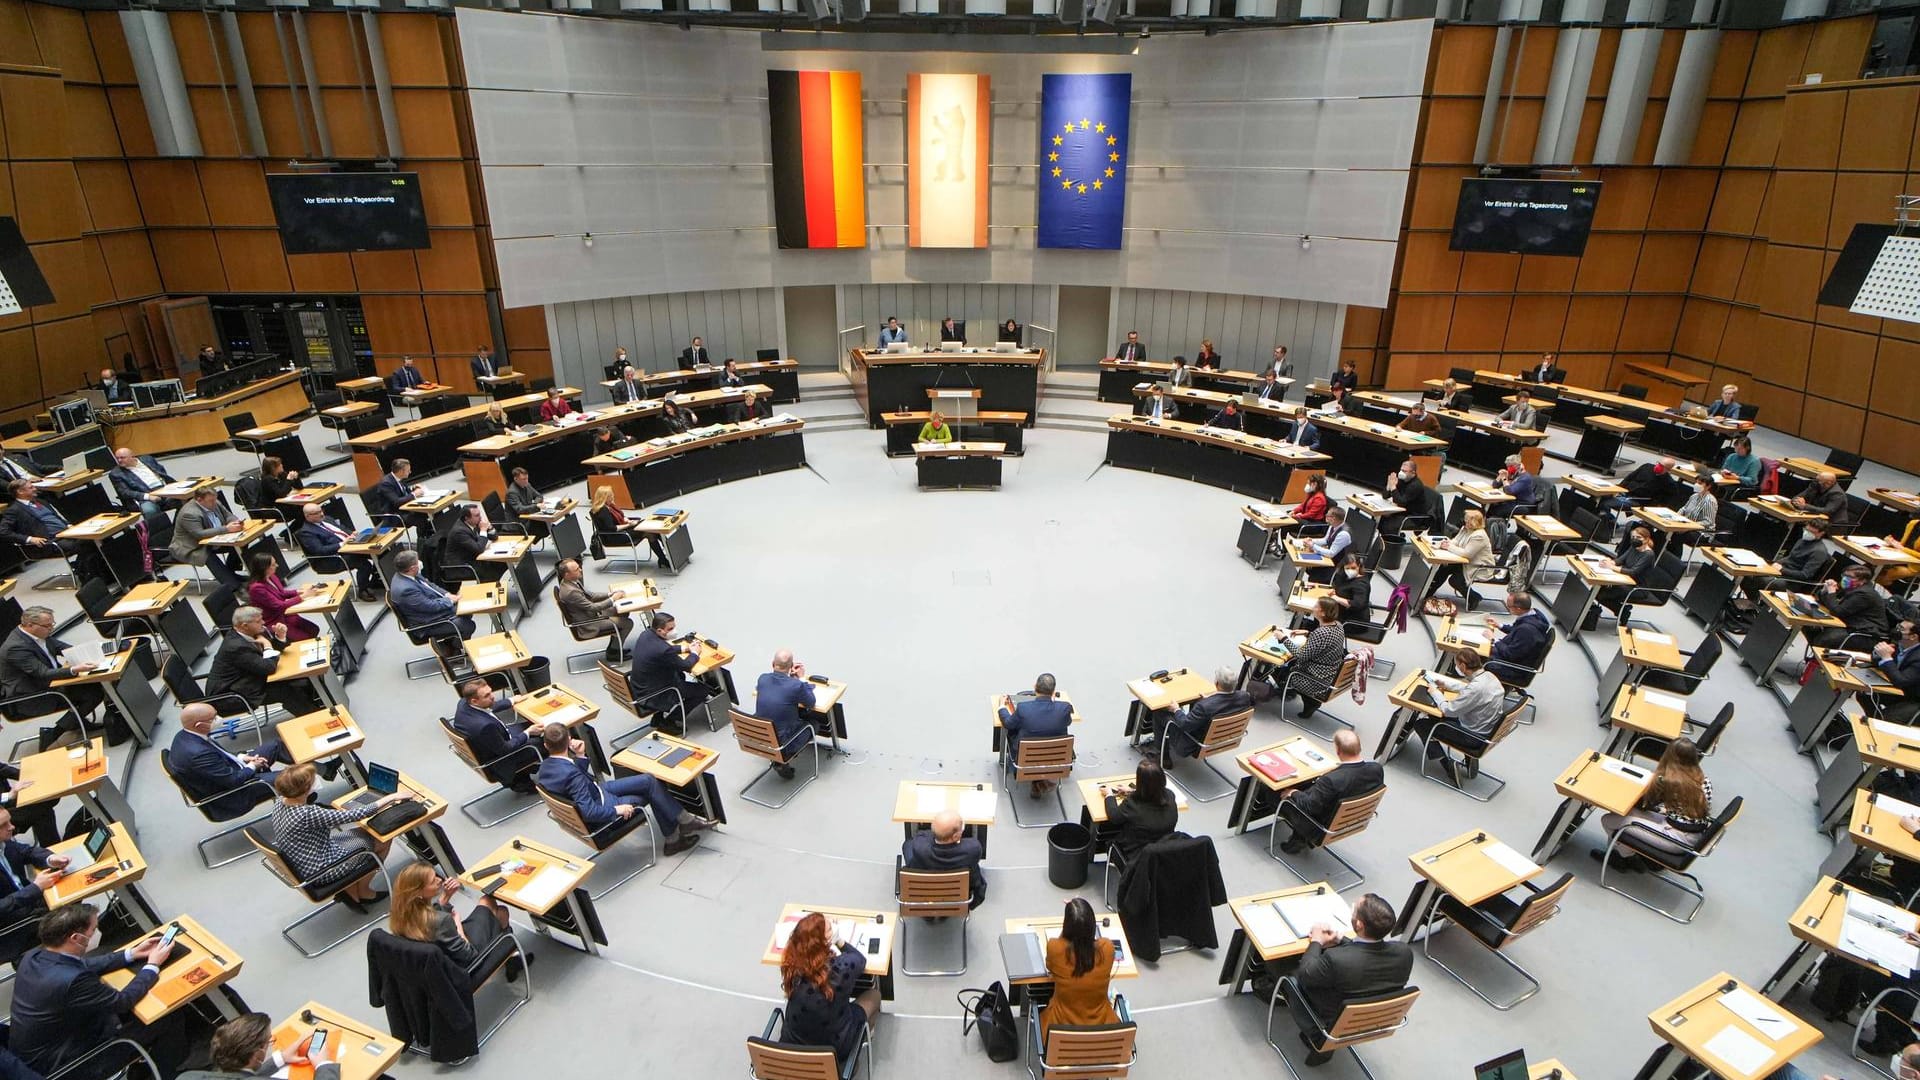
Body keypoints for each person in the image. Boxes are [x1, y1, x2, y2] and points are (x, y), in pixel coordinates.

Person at [10, 903, 186, 1080]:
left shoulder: (33, 957)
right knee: (167, 1018)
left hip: (41, 1049)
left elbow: (83, 964)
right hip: (71, 1063)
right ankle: (165, 1074)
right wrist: (152, 965)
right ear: (76, 938)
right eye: (93, 930)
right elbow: (122, 1001)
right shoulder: (74, 980)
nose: (96, 933)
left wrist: (131, 954)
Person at [535, 722, 711, 855]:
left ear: (545, 746)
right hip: (605, 806)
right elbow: (589, 811)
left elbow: (572, 784)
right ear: (568, 741)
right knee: (651, 791)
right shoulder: (571, 774)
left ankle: (683, 823)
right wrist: (616, 809)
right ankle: (675, 837)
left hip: (598, 791)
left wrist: (580, 756)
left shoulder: (545, 768)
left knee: (649, 780)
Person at [1288, 893, 1413, 1062]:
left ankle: (1316, 1035)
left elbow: (1305, 974)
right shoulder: (1404, 953)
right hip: (1371, 1022)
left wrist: (1316, 940)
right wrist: (1341, 939)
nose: (1352, 909)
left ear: (1359, 925)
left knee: (1290, 976)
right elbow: (1366, 954)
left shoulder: (1337, 960)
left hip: (1331, 1023)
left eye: (1354, 909)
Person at [271, 764, 402, 908]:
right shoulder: (307, 814)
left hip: (304, 864)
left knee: (361, 832)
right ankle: (364, 891)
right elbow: (356, 814)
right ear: (305, 788)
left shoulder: (280, 802)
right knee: (383, 839)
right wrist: (391, 798)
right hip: (323, 869)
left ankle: (351, 889)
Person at [387, 861, 517, 989]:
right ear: (418, 893)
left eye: (436, 876)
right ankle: (511, 956)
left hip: (441, 962)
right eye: (433, 881)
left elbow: (431, 920)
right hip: (465, 966)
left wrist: (445, 896)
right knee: (496, 907)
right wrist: (457, 924)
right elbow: (470, 956)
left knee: (496, 910)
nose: (439, 880)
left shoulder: (402, 916)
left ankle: (511, 959)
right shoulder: (441, 921)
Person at [778, 912, 881, 1067]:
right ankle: (862, 1039)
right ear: (825, 941)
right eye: (830, 929)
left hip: (794, 1047)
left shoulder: (791, 969)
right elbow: (860, 959)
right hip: (834, 1049)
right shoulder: (840, 969)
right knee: (874, 995)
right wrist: (840, 941)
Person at [1597, 737, 1712, 873]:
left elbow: (1644, 804)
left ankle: (1625, 858)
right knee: (1625, 814)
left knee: (1608, 820)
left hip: (1675, 839)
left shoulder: (1669, 781)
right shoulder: (1704, 779)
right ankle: (1629, 856)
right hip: (1691, 835)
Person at [166, 702, 294, 820]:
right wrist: (252, 766)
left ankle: (304, 765)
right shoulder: (198, 753)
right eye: (214, 718)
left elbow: (219, 754)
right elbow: (233, 780)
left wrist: (243, 757)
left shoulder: (186, 735)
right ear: (199, 725)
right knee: (295, 777)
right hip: (235, 792)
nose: (219, 719)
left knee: (275, 745)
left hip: (232, 770)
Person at [1, 604, 105, 747]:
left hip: (50, 685)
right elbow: (43, 673)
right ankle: (53, 734)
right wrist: (74, 669)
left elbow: (61, 647)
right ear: (30, 625)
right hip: (33, 696)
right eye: (47, 626)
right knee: (94, 692)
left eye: (52, 624)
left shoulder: (39, 633)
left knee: (98, 683)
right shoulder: (15, 647)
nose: (51, 628)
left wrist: (89, 652)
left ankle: (76, 722)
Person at [1276, 730, 1383, 854]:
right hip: (1348, 821)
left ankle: (1300, 838)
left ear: (1338, 751)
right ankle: (1299, 838)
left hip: (1321, 827)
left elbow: (1309, 807)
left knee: (1273, 793)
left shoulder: (1332, 780)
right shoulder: (1376, 769)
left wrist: (1293, 792)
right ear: (1359, 748)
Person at [1405, 649, 1504, 780]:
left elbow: (1448, 710)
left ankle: (1448, 766)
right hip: (1485, 732)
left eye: (1457, 665)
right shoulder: (1490, 677)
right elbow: (1468, 689)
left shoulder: (1476, 688)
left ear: (1463, 666)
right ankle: (1469, 759)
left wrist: (1435, 692)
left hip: (1471, 736)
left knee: (1422, 724)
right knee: (1435, 716)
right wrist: (1446, 685)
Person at [209, 606, 322, 715]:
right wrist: (267, 645)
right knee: (286, 690)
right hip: (233, 695)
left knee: (303, 676)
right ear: (245, 625)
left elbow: (271, 652)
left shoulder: (249, 632)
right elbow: (269, 668)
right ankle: (316, 717)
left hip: (249, 679)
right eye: (258, 621)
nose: (263, 622)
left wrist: (280, 637)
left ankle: (321, 705)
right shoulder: (236, 647)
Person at [1040, 898, 1120, 1042]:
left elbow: (1050, 966)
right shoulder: (1107, 949)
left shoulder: (1055, 948)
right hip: (1101, 1032)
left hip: (1060, 1032)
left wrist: (1068, 928)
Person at [0, 806, 68, 964]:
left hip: (27, 907)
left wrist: (51, 859)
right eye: (3, 825)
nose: (12, 827)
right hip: (10, 927)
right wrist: (35, 888)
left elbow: (26, 851)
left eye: (9, 821)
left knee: (70, 887)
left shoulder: (5, 844)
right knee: (74, 914)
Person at [180, 1012, 337, 1080]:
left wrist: (280, 1058)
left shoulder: (188, 1077)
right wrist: (323, 1064)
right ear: (258, 1054)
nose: (270, 1043)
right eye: (269, 1040)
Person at [628, 611, 717, 731]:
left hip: (639, 688)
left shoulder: (646, 635)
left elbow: (665, 649)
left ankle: (658, 717)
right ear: (660, 630)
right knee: (703, 690)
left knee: (679, 675)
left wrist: (685, 648)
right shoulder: (663, 650)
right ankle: (671, 720)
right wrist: (695, 652)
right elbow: (686, 666)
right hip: (654, 694)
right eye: (670, 628)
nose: (674, 630)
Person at [0, 479, 102, 580]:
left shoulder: (41, 501)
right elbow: (3, 531)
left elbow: (56, 517)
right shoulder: (14, 510)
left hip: (67, 533)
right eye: (31, 487)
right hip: (49, 542)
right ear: (20, 492)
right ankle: (88, 573)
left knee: (99, 536)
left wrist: (68, 525)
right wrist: (30, 539)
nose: (35, 489)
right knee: (87, 543)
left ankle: (90, 569)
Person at [449, 679, 538, 792]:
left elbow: (489, 707)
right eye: (487, 695)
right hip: (501, 760)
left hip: (492, 745)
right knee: (547, 739)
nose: (493, 697)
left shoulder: (464, 703)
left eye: (491, 692)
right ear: (475, 701)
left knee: (533, 725)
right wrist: (528, 732)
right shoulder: (484, 726)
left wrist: (511, 700)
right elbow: (505, 749)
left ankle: (522, 779)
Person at [1272, 599, 1349, 718]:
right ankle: (1308, 700)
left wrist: (1283, 638)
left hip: (1315, 679)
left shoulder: (1321, 633)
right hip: (1329, 675)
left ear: (1323, 613)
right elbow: (1326, 641)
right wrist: (1308, 633)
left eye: (1316, 606)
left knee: (1279, 671)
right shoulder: (1338, 625)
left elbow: (1301, 656)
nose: (1313, 607)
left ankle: (1306, 698)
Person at [998, 673, 1072, 797]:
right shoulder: (1064, 709)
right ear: (1054, 691)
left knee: (1014, 732)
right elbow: (1067, 721)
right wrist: (1056, 703)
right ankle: (1039, 781)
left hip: (1025, 760)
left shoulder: (1023, 709)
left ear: (1035, 687)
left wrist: (1001, 707)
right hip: (1056, 759)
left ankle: (1037, 780)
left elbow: (1008, 724)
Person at [1155, 668, 1250, 760]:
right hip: (1225, 740)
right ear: (1236, 683)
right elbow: (1226, 705)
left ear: (1216, 683)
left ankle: (1164, 757)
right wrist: (1211, 699)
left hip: (1194, 745)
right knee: (1196, 705)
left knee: (1159, 713)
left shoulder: (1204, 707)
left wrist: (1176, 709)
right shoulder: (1245, 697)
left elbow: (1184, 724)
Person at [296, 503, 382, 601]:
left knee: (380, 551)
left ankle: (376, 580)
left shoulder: (327, 519)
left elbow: (343, 529)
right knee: (364, 564)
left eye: (321, 510)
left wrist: (352, 534)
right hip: (331, 559)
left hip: (349, 548)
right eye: (316, 513)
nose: (321, 514)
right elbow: (320, 550)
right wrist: (342, 544)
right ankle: (363, 590)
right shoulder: (306, 532)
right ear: (307, 516)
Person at [900, 809, 986, 906]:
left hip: (922, 898)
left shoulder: (920, 847)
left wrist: (938, 831)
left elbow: (917, 838)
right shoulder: (973, 849)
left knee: (907, 845)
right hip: (957, 901)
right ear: (956, 836)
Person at [754, 649, 817, 780]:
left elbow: (775, 690)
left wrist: (791, 680)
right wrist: (801, 679)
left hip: (758, 737)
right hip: (783, 743)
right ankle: (781, 760)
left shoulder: (762, 679)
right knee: (814, 724)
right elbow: (811, 702)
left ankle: (778, 760)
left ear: (773, 664)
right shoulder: (796, 686)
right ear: (790, 666)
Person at [556, 558, 633, 660]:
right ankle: (614, 653)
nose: (581, 570)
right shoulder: (571, 592)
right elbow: (593, 608)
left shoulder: (571, 581)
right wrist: (613, 599)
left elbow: (591, 596)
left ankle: (614, 646)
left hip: (588, 614)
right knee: (628, 623)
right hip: (588, 623)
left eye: (579, 567)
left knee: (622, 610)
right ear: (566, 574)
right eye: (576, 569)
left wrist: (610, 594)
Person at [389, 550, 475, 639]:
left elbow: (430, 585)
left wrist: (447, 594)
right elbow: (429, 606)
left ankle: (453, 638)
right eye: (417, 561)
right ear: (413, 568)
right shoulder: (405, 590)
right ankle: (454, 647)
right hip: (427, 623)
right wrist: (450, 601)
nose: (420, 563)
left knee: (467, 609)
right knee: (468, 625)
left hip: (432, 610)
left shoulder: (406, 573)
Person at [1102, 759, 1177, 861]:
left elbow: (1114, 817)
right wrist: (1133, 791)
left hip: (1135, 861)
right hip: (1163, 856)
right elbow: (1154, 793)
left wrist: (1109, 795)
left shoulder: (1132, 804)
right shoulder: (1170, 796)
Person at [170, 487, 246, 587]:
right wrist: (227, 529)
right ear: (199, 500)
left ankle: (230, 572)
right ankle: (233, 586)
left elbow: (228, 515)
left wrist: (234, 522)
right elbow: (199, 534)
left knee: (242, 541)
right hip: (191, 546)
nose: (215, 503)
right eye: (211, 501)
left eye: (215, 499)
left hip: (213, 538)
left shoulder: (214, 502)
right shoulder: (189, 513)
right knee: (207, 555)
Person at [244, 552, 322, 643]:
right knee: (305, 639)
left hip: (285, 614)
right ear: (265, 568)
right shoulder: (256, 588)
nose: (277, 565)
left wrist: (300, 592)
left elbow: (282, 593)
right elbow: (279, 605)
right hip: (274, 621)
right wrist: (303, 597)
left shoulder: (271, 576)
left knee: (314, 629)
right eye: (273, 565)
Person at [1426, 508, 1495, 607]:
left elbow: (1466, 554)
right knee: (1445, 567)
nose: (1464, 521)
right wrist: (1447, 543)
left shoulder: (1479, 536)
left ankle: (1474, 598)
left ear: (1473, 523)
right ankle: (1428, 593)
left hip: (1478, 567)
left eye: (1467, 520)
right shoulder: (1465, 529)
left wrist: (1448, 547)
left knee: (1454, 580)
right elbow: (1456, 541)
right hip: (1465, 563)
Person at [590, 488, 669, 565]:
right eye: (610, 496)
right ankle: (664, 557)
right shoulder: (603, 510)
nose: (613, 496)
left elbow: (621, 516)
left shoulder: (610, 506)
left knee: (649, 527)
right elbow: (612, 528)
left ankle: (664, 556)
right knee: (649, 531)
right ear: (604, 498)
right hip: (616, 536)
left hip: (623, 531)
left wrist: (627, 520)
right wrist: (628, 525)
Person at [1487, 591, 1551, 677]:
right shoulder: (1534, 614)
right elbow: (1516, 630)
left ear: (1518, 609)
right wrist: (1499, 625)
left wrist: (1493, 640)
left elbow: (1510, 655)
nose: (1507, 607)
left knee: (1475, 657)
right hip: (1513, 655)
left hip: (1513, 668)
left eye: (1509, 606)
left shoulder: (1527, 630)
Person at [107, 447, 176, 520]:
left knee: (185, 498)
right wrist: (148, 496)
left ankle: (178, 525)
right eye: (117, 458)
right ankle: (163, 530)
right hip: (145, 496)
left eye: (122, 458)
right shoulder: (116, 473)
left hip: (164, 489)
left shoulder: (147, 459)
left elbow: (162, 472)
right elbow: (125, 492)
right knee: (149, 510)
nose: (119, 460)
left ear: (132, 456)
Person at [1874, 619, 1920, 724]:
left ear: (1913, 637)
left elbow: (1901, 680)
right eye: (1898, 626)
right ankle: (1873, 722)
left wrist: (1886, 657)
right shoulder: (1899, 644)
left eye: (1901, 629)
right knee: (1866, 694)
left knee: (1889, 716)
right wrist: (1879, 653)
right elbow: (1877, 661)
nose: (1896, 630)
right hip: (1902, 691)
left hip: (1915, 700)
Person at [440, 504, 494, 583]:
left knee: (500, 563)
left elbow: (494, 536)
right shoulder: (459, 531)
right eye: (477, 515)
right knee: (491, 569)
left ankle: (492, 585)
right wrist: (483, 530)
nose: (480, 517)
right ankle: (488, 589)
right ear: (467, 518)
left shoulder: (473, 522)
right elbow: (479, 549)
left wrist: (489, 527)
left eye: (480, 514)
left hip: (472, 558)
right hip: (461, 567)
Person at [1613, 456, 1681, 513]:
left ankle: (1608, 524)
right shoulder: (1646, 466)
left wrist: (1655, 505)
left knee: (1605, 503)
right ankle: (1608, 522)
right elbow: (1629, 478)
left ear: (1668, 470)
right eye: (1658, 463)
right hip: (1624, 492)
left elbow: (1668, 498)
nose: (1658, 466)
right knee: (1603, 496)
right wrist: (1617, 489)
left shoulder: (1669, 482)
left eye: (1662, 466)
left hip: (1636, 500)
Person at [1330, 554, 1371, 623]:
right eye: (1347, 568)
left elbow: (1357, 605)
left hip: (1351, 621)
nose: (1350, 571)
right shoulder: (1344, 576)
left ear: (1359, 566)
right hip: (1341, 613)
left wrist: (1336, 598)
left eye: (1353, 568)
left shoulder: (1361, 584)